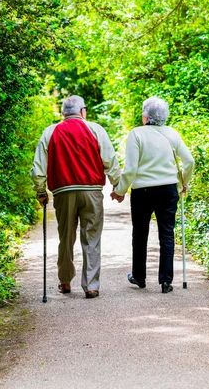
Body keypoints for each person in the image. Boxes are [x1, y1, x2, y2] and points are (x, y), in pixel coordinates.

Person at [31, 95, 121, 299]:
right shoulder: (96, 129)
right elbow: (110, 160)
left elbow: (38, 167)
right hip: (92, 191)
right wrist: (118, 186)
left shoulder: (50, 131)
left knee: (66, 238)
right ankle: (91, 286)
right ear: (83, 112)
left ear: (63, 113)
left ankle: (65, 281)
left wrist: (40, 190)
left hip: (63, 192)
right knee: (91, 238)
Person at [111, 96, 194, 293]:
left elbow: (130, 169)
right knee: (167, 233)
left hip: (143, 191)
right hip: (168, 189)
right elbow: (189, 161)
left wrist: (120, 191)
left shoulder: (136, 134)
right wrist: (184, 183)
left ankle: (139, 277)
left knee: (140, 234)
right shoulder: (172, 133)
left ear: (145, 117)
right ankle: (166, 281)